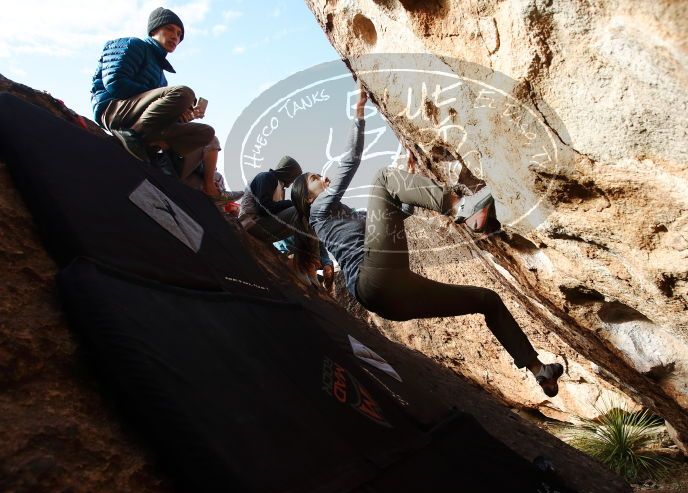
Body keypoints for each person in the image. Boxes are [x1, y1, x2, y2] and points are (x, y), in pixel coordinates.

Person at [289, 88, 564, 397]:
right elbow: (351, 161)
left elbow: (398, 216)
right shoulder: (318, 212)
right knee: (381, 176)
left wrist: (406, 180)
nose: (323, 178)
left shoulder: (348, 216)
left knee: (487, 300)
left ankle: (539, 370)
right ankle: (462, 208)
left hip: (394, 297)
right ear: (307, 196)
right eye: (315, 178)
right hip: (372, 282)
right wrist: (358, 112)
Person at [90, 7, 240, 202]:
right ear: (154, 30)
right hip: (114, 109)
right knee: (185, 93)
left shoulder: (161, 77)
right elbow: (115, 83)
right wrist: (163, 97)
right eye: (170, 29)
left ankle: (149, 142)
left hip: (142, 119)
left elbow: (156, 109)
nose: (175, 37)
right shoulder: (132, 45)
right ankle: (133, 134)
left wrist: (181, 115)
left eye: (179, 34)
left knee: (207, 133)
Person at [239, 156, 335, 291]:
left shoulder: (280, 188)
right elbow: (264, 208)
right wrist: (291, 204)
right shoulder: (267, 177)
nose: (293, 182)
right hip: (252, 223)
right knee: (300, 211)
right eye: (293, 177)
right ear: (287, 171)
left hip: (266, 228)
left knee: (308, 218)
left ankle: (310, 267)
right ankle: (301, 266)